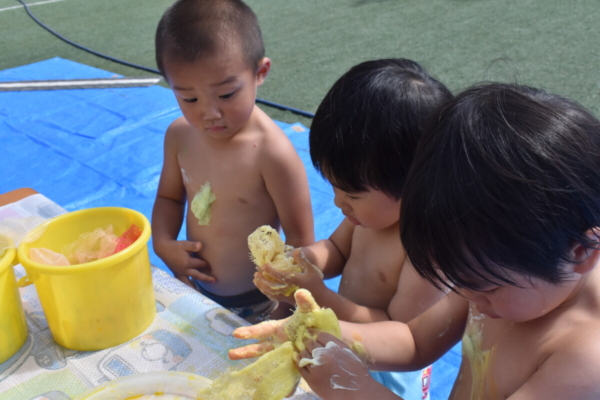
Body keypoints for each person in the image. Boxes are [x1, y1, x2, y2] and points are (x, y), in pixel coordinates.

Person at [231, 82, 600, 399]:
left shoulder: (583, 361)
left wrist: (356, 390)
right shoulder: (490, 273)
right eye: (463, 285)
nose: (473, 304)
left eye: (486, 289)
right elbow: (414, 340)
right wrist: (314, 332)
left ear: (580, 251)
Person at [253, 58, 453, 400]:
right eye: (333, 187)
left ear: (415, 182)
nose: (338, 203)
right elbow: (337, 250)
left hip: (384, 375)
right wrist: (300, 261)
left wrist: (321, 295)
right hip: (339, 340)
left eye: (351, 193)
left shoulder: (426, 249)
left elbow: (398, 333)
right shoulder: (369, 215)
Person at [151, 0, 314, 323]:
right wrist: (164, 244)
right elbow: (168, 198)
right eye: (189, 98)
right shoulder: (179, 137)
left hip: (263, 303)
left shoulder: (272, 153)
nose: (209, 113)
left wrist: (285, 310)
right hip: (197, 290)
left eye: (226, 95)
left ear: (260, 72)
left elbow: (302, 242)